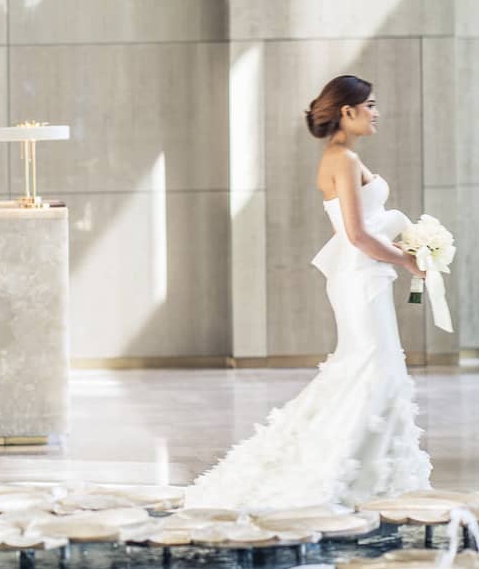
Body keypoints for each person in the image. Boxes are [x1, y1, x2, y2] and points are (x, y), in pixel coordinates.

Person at [185, 74, 432, 511]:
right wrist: (408, 259)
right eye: (370, 105)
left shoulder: (340, 157)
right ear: (347, 111)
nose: (377, 113)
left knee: (373, 367)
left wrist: (405, 242)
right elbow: (356, 235)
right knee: (369, 367)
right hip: (360, 275)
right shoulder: (344, 161)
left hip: (363, 275)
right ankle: (341, 475)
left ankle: (372, 475)